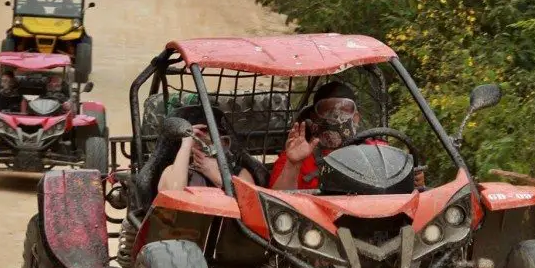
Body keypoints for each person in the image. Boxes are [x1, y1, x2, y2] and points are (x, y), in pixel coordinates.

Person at [269, 80, 426, 191]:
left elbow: (406, 193)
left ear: (356, 117)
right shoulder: (296, 156)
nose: (336, 117)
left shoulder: (379, 151)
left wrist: (414, 182)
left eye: (344, 111)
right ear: (314, 117)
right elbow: (276, 204)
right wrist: (293, 166)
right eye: (327, 111)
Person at [158, 106, 256, 191]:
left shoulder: (238, 173)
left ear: (225, 143)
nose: (204, 143)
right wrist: (186, 144)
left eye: (214, 136)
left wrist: (220, 179)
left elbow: (253, 202)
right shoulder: (172, 171)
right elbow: (174, 196)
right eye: (197, 136)